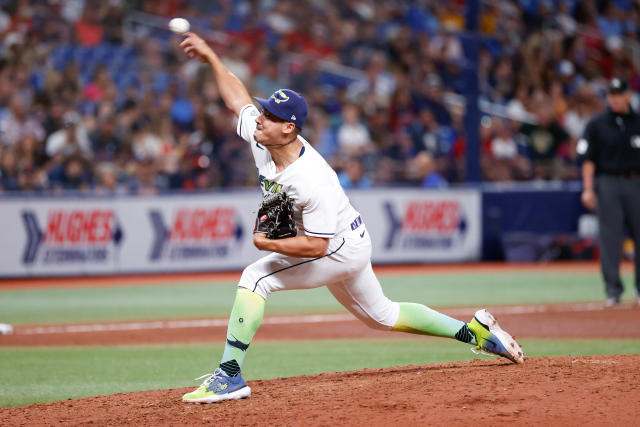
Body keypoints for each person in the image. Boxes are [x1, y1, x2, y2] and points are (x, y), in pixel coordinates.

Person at [178, 32, 524, 405]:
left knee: (256, 277)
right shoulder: (264, 136)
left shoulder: (312, 179)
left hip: (338, 248)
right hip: (348, 239)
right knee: (382, 316)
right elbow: (237, 99)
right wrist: (212, 56)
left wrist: (269, 242)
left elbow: (317, 245)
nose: (259, 118)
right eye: (263, 112)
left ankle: (229, 375)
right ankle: (475, 333)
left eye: (270, 116)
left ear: (289, 128)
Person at [577, 77, 640, 307]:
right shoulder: (597, 124)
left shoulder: (638, 122)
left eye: (618, 94)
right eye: (610, 95)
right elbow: (587, 159)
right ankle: (613, 290)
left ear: (628, 96)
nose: (613, 98)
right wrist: (587, 187)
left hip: (636, 181)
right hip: (608, 183)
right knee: (610, 238)